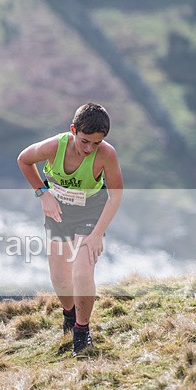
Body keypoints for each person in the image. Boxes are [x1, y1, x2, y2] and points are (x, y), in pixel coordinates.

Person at [17, 103, 124, 357]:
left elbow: (116, 195)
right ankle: (70, 315)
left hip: (90, 213)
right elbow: (23, 160)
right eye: (85, 141)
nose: (89, 149)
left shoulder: (107, 155)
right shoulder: (55, 146)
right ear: (73, 130)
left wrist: (97, 234)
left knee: (82, 271)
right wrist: (43, 194)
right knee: (60, 278)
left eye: (95, 144)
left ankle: (82, 330)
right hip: (59, 212)